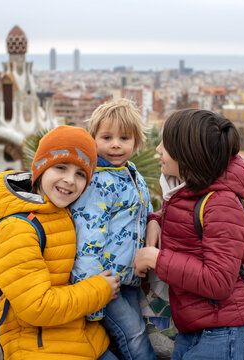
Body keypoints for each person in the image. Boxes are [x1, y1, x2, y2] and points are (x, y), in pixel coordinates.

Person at [0, 125, 121, 360]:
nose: (69, 180)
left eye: (80, 174)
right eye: (61, 167)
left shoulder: (62, 212)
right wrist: (101, 289)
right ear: (40, 168)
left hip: (86, 341)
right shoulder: (16, 228)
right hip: (38, 348)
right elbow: (38, 307)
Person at [133, 109, 244, 360]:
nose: (158, 149)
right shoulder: (192, 192)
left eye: (165, 144)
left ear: (186, 153)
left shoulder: (221, 203)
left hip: (224, 332)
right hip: (197, 330)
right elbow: (185, 220)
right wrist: (155, 221)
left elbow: (219, 281)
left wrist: (154, 258)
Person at [71, 99, 156, 360]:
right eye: (107, 137)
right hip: (104, 282)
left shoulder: (133, 175)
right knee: (134, 337)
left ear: (136, 142)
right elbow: (87, 239)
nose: (116, 144)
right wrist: (95, 294)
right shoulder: (97, 181)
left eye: (124, 137)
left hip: (127, 280)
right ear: (93, 139)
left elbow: (147, 214)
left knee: (129, 337)